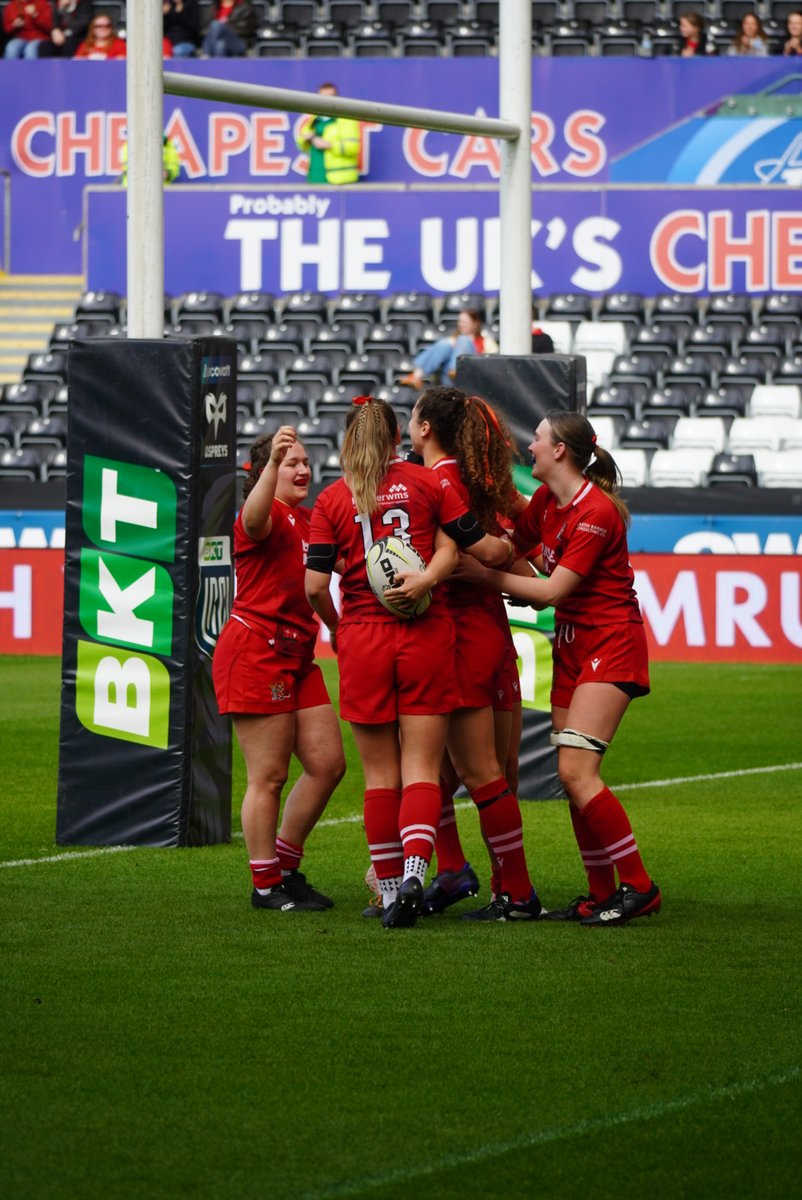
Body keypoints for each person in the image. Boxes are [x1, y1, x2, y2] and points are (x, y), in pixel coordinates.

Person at [305, 396, 514, 929]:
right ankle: (420, 870)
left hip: (363, 637)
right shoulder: (429, 484)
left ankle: (392, 887)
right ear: (399, 436)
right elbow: (470, 547)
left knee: (380, 777)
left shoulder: (330, 499)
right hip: (425, 631)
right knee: (423, 767)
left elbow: (313, 585)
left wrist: (336, 624)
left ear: (349, 441)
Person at [457, 410, 661, 927]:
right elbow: (515, 550)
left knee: (575, 771)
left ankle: (639, 887)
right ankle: (600, 893)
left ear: (560, 451)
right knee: (573, 778)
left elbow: (550, 590)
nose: (531, 448)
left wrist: (480, 576)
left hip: (609, 644)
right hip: (573, 645)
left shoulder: (597, 512)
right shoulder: (549, 501)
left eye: (539, 440)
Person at [407, 387, 543, 922]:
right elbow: (519, 538)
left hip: (458, 632)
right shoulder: (482, 478)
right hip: (493, 632)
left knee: (457, 770)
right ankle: (475, 876)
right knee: (490, 771)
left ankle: (511, 892)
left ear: (425, 428)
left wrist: (499, 559)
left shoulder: (437, 480)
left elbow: (487, 549)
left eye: (414, 418)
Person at [212, 428, 346, 912]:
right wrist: (269, 463)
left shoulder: (311, 519)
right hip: (255, 653)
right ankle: (265, 885)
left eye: (305, 461)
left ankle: (286, 868)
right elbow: (253, 514)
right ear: (265, 471)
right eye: (290, 462)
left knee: (329, 766)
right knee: (268, 777)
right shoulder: (259, 518)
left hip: (298, 656)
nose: (302, 469)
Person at [399, 309, 498, 391]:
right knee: (444, 345)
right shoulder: (452, 340)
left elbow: (491, 362)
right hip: (449, 379)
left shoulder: (486, 341)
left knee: (461, 340)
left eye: (465, 322)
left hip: (470, 379)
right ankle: (417, 375)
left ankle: (455, 369)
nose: (461, 325)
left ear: (475, 323)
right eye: (460, 321)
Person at [296, 83, 362, 185]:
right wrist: (306, 138)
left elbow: (353, 147)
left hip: (339, 180)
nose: (325, 102)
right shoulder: (314, 119)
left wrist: (329, 145)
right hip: (315, 177)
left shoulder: (346, 119)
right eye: (322, 98)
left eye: (330, 98)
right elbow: (301, 144)